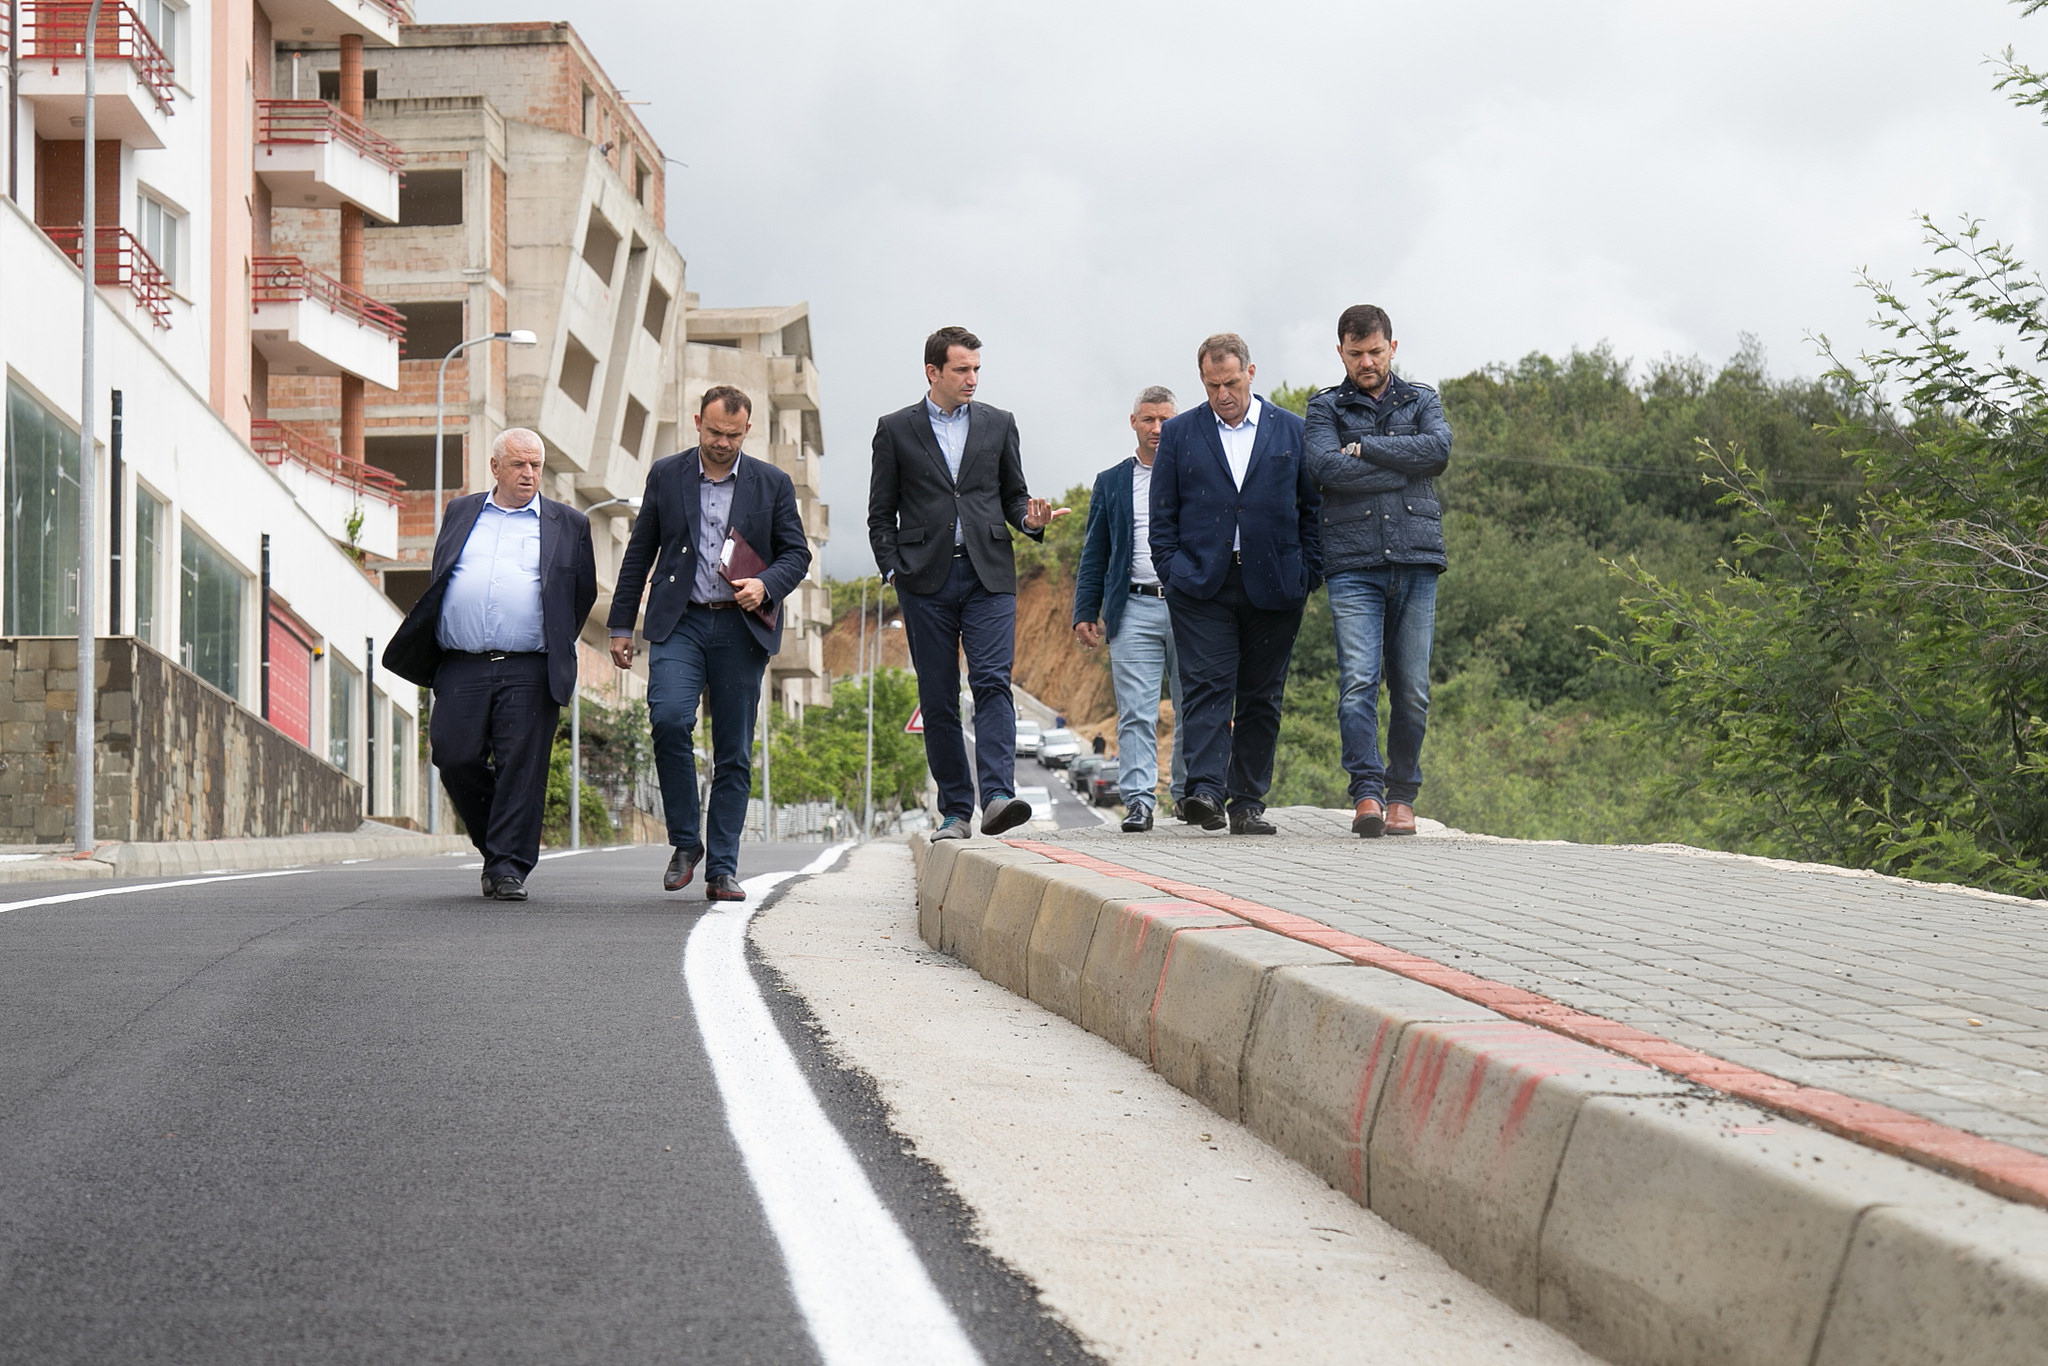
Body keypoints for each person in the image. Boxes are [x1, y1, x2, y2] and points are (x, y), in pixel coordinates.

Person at [607, 386, 812, 900]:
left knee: (733, 751)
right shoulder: (666, 474)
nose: (723, 443)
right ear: (698, 422)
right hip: (680, 621)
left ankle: (722, 868)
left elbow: (796, 554)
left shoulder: (772, 483)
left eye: (733, 435)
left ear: (748, 430)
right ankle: (685, 842)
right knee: (668, 719)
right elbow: (639, 552)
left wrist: (766, 584)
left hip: (741, 629)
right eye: (715, 432)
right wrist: (620, 624)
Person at [383, 428, 597, 901]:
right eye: (519, 464)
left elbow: (581, 595)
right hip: (462, 662)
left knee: (522, 767)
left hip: (530, 665)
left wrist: (550, 637)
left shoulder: (570, 523)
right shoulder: (461, 511)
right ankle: (495, 846)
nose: (529, 474)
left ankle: (507, 868)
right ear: (495, 467)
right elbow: (444, 573)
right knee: (453, 755)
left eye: (536, 465)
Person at [868, 325, 1064, 841]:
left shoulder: (1000, 423)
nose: (972, 378)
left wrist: (1030, 521)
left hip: (988, 573)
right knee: (938, 697)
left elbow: (1013, 496)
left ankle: (997, 796)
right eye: (961, 369)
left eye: (976, 369)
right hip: (923, 580)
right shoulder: (895, 429)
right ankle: (956, 811)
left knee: (992, 682)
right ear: (933, 371)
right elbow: (879, 514)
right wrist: (894, 570)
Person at [1149, 334, 1321, 835]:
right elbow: (1163, 514)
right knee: (1207, 688)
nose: (1222, 394)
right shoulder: (1180, 433)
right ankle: (1205, 791)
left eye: (1230, 383)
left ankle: (1248, 802)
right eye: (1212, 385)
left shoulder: (1293, 430)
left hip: (1276, 583)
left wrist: (1308, 573)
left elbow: (1314, 511)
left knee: (1262, 696)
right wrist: (1173, 573)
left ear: (1251, 372)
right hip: (1202, 585)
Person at [1305, 304, 1451, 838]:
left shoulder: (1423, 399)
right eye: (1355, 353)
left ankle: (1402, 797)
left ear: (1393, 347)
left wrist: (1367, 448)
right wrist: (1401, 470)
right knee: (1358, 683)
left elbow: (1438, 450)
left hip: (1416, 558)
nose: (1366, 362)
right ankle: (1367, 792)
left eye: (1374, 351)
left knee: (1412, 690)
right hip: (1352, 563)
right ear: (1340, 352)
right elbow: (1325, 467)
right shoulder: (1323, 407)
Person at [1073, 385, 1186, 831]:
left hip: (1189, 607)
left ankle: (1189, 794)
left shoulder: (1195, 471)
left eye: (1165, 420)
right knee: (1136, 711)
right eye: (1148, 419)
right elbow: (1095, 552)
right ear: (1133, 422)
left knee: (1192, 706)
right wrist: (1086, 610)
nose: (1157, 428)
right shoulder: (1112, 481)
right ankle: (1139, 801)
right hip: (1133, 607)